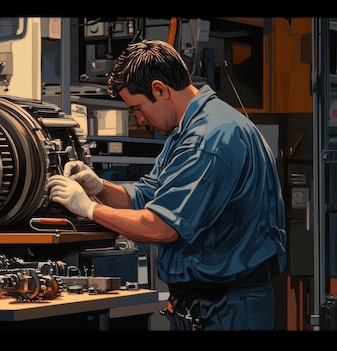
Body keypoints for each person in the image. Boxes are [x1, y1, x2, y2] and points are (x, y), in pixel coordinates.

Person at [47, 39, 287, 331]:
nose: (140, 119)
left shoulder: (209, 139)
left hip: (228, 308)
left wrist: (89, 209)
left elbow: (161, 226)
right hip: (207, 303)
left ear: (160, 90)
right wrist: (99, 188)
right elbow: (149, 195)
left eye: (138, 108)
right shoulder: (186, 132)